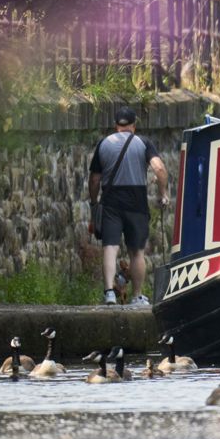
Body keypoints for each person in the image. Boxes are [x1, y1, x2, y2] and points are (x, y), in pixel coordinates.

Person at [88, 107, 168, 306]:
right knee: (136, 252)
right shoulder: (143, 143)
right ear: (133, 125)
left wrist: (94, 202)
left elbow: (95, 180)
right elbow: (159, 168)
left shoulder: (104, 144)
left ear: (116, 125)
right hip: (136, 202)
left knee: (110, 247)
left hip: (111, 202)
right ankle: (137, 296)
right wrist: (163, 193)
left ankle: (109, 293)